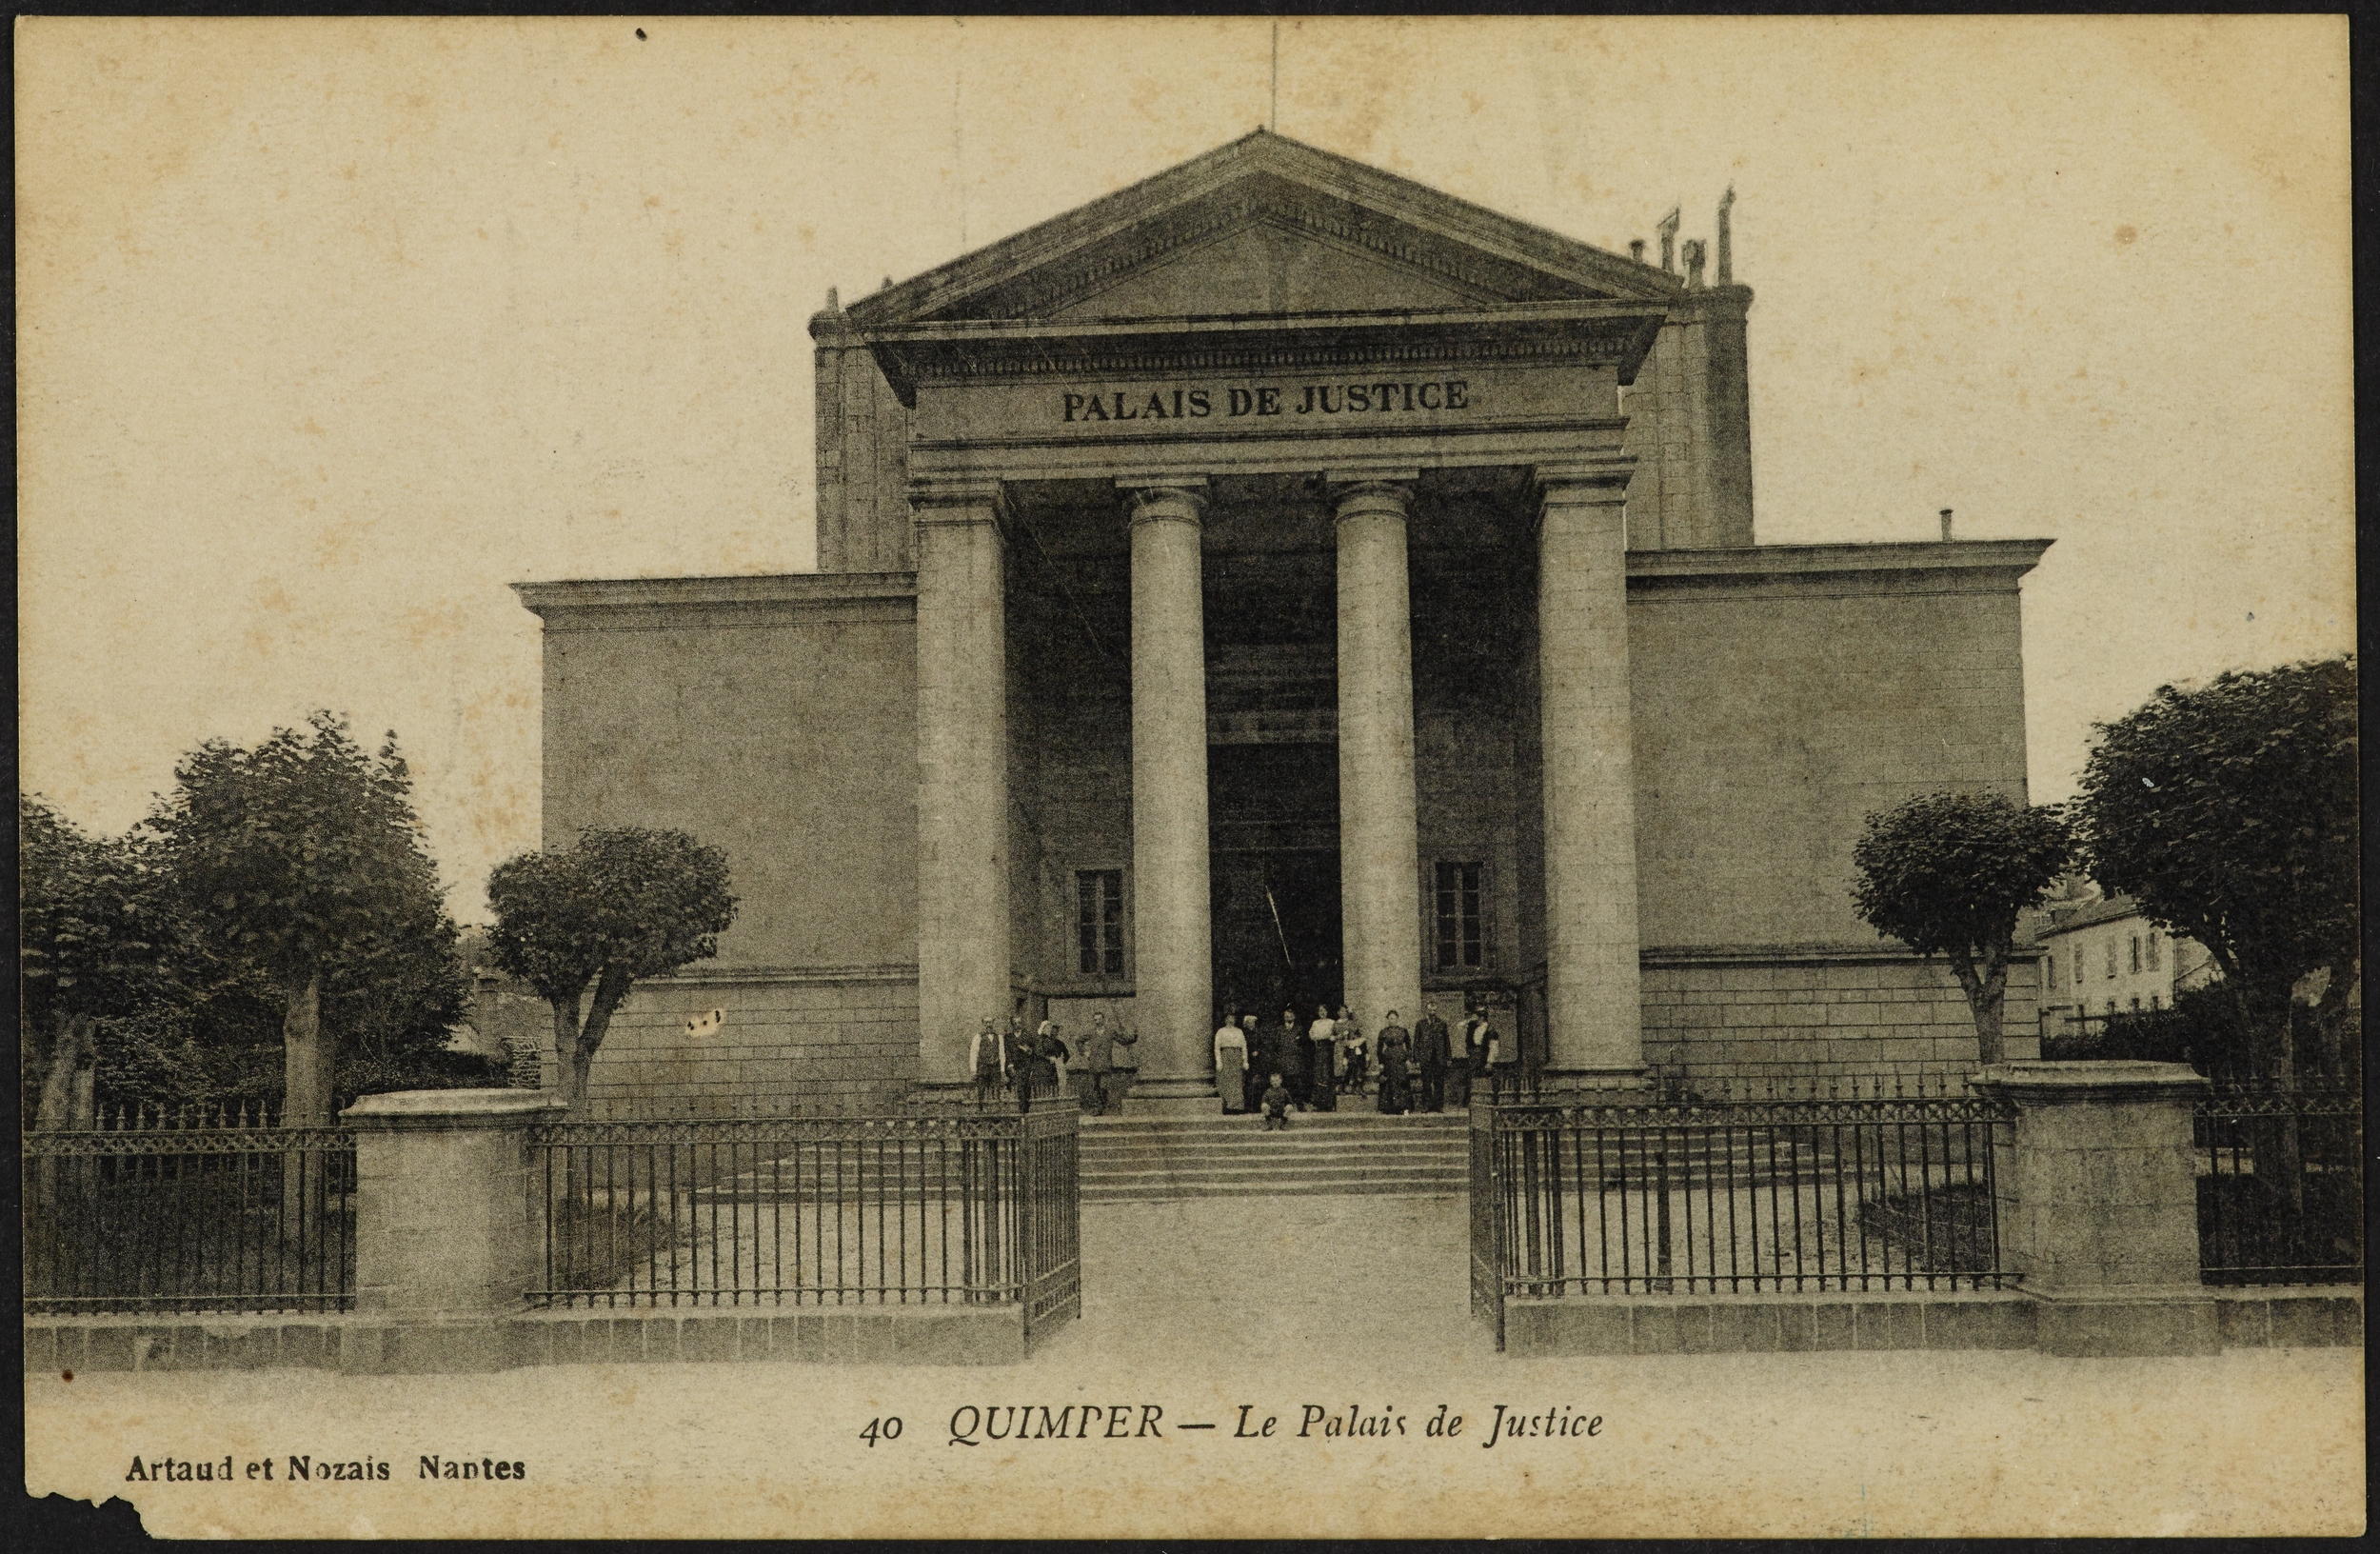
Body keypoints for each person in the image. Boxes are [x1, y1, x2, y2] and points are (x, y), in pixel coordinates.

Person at [1077, 1018, 1138, 1116]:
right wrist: (1085, 1052)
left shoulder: (1110, 1032)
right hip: (1094, 1064)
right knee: (1095, 1087)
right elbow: (1079, 1041)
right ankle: (1098, 1108)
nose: (1098, 1022)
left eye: (1099, 1020)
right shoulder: (1092, 1033)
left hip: (1105, 1064)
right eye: (1096, 1020)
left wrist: (1134, 1037)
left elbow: (1123, 1041)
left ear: (1103, 1020)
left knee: (1103, 1086)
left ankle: (1102, 1106)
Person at [1414, 1000, 1451, 1113]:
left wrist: (1448, 1057)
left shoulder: (1442, 1023)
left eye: (1434, 1010)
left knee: (1439, 1082)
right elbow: (1416, 1042)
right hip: (1425, 1057)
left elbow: (1447, 1042)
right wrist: (1416, 1058)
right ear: (1426, 1010)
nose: (1432, 1012)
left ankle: (1438, 1105)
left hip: (1439, 1058)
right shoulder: (1420, 1024)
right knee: (1426, 1082)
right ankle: (1427, 1105)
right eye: (1430, 1010)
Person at [1375, 1009, 1413, 1115]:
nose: (1392, 1020)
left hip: (1401, 1058)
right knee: (1389, 1081)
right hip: (1389, 1058)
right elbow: (1379, 1049)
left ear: (1397, 1019)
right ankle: (1389, 1107)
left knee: (1401, 1081)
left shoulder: (1403, 1031)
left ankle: (1404, 1107)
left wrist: (1409, 1059)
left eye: (1394, 1018)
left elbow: (1409, 1046)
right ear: (1387, 1019)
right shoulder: (1384, 1032)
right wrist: (1381, 1062)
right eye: (1390, 1018)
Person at [1214, 1011, 1249, 1114]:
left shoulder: (1239, 1031)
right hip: (1226, 1056)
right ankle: (1228, 1106)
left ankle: (1237, 1107)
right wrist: (1219, 1061)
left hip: (1237, 1057)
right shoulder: (1221, 1032)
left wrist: (1245, 1061)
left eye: (1232, 1018)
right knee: (1227, 1080)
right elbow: (1217, 1047)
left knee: (1237, 1081)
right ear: (1225, 1020)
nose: (1230, 1020)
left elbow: (1244, 1047)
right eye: (1228, 1018)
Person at [1306, 1005, 1338, 1113]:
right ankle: (1318, 1103)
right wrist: (1315, 1038)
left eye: (1324, 1010)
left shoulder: (1332, 1022)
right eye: (1320, 1011)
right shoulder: (1315, 1023)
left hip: (1328, 1048)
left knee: (1326, 1074)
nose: (1322, 1012)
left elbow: (1336, 1035)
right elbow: (1311, 1034)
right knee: (1318, 1074)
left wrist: (1331, 1038)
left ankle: (1328, 1103)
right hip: (1318, 1048)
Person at [968, 1017, 1007, 1105]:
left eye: (990, 1022)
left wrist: (1002, 1070)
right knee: (981, 1089)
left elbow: (1002, 1054)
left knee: (996, 1089)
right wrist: (973, 1070)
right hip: (983, 1067)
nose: (988, 1025)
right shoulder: (978, 1037)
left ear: (993, 1023)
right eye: (986, 1023)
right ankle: (981, 1110)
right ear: (983, 1024)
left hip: (995, 1068)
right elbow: (974, 1054)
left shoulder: (999, 1037)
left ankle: (995, 1109)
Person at [1446, 1012, 1478, 1109]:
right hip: (1458, 1059)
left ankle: (1466, 1102)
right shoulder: (1460, 1028)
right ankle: (1458, 1102)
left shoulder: (1474, 1029)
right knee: (1457, 1082)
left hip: (1469, 1058)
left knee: (1468, 1082)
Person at [1337, 1006, 1366, 1097]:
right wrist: (1345, 1058)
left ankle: (1359, 1088)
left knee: (1358, 1072)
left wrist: (1366, 1054)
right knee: (1347, 1072)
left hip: (1358, 1056)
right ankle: (1342, 1088)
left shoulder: (1360, 1035)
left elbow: (1363, 1044)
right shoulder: (1348, 1037)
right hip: (1350, 1056)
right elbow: (1346, 1047)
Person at [1240, 1015, 1265, 1111]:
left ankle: (1256, 1105)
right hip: (1248, 1060)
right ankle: (1248, 1105)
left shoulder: (1258, 1033)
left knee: (1257, 1082)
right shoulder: (1244, 1034)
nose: (1251, 1025)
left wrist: (1258, 1051)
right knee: (1248, 1083)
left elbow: (1263, 1045)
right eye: (1249, 1023)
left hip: (1258, 1061)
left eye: (1252, 1023)